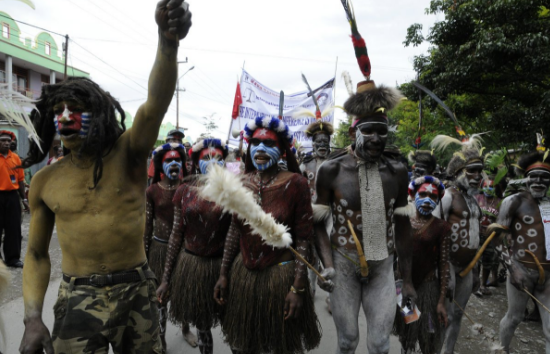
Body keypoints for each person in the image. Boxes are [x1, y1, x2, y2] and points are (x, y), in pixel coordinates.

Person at [18, 2, 192, 353]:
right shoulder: (45, 182)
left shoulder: (128, 154)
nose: (65, 118)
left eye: (75, 110)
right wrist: (32, 318)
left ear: (96, 114)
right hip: (77, 295)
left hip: (136, 289)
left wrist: (167, 41)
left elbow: (154, 103)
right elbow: (36, 255)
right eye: (57, 112)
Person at [313, 82, 416, 354]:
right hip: (343, 264)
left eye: (381, 131)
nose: (375, 138)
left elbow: (404, 227)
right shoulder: (331, 170)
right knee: (347, 342)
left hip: (382, 266)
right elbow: (317, 225)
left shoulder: (397, 171)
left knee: (380, 345)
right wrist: (327, 265)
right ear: (352, 132)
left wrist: (407, 280)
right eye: (367, 130)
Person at [213, 116, 321, 354]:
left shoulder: (296, 184)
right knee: (242, 346)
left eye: (269, 144)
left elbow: (304, 237)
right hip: (244, 274)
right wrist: (223, 273)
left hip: (281, 275)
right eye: (256, 143)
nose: (260, 148)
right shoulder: (240, 183)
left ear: (282, 151)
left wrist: (297, 287)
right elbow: (234, 229)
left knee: (281, 347)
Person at [157, 138, 230, 354]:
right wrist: (166, 279)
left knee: (233, 325)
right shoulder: (184, 191)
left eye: (219, 158)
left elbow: (237, 233)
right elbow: (177, 234)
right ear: (197, 162)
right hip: (193, 267)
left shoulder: (235, 192)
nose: (214, 162)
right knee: (203, 326)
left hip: (224, 267)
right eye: (207, 158)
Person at [488, 151, 550, 354]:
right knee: (514, 317)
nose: (539, 181)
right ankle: (502, 350)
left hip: (547, 276)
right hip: (521, 270)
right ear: (526, 177)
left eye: (544, 177)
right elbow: (496, 239)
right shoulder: (513, 201)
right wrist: (512, 269)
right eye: (535, 176)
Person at [430, 135, 483, 354]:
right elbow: (432, 228)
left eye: (480, 171)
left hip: (468, 267)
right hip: (447, 264)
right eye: (471, 171)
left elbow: (476, 235)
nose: (477, 176)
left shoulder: (473, 201)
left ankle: (447, 351)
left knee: (459, 314)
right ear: (458, 172)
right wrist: (437, 267)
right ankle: (432, 347)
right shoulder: (448, 196)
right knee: (446, 312)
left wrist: (477, 270)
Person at [393, 176, 450, 354]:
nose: (427, 200)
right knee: (407, 334)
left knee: (428, 336)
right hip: (403, 289)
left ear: (438, 200)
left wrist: (441, 301)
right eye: (423, 194)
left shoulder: (442, 227)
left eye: (433, 197)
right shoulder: (402, 221)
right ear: (413, 194)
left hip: (428, 289)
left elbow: (444, 264)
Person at [143, 142, 191, 350]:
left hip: (184, 251)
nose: (173, 164)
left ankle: (186, 329)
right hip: (158, 250)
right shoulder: (152, 191)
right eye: (168, 160)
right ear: (160, 166)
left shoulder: (188, 188)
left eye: (177, 160)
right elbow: (147, 227)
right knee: (160, 299)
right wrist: (144, 257)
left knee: (184, 294)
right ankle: (161, 340)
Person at [0, 130, 28, 268]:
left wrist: (24, 199)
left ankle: (13, 259)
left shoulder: (16, 158)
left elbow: (21, 180)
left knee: (13, 229)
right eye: (3, 140)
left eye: (8, 140)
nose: (6, 143)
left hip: (12, 197)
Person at [475, 175, 503, 295]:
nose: (488, 189)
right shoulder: (477, 198)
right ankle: (475, 285)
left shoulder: (499, 202)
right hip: (476, 233)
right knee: (476, 260)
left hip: (491, 237)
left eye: (491, 187)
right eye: (486, 186)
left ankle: (483, 284)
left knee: (488, 260)